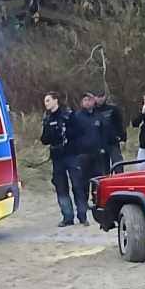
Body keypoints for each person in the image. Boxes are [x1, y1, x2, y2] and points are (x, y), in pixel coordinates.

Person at [40, 93, 88, 226]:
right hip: (57, 157)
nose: (46, 103)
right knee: (61, 187)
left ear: (56, 100)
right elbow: (44, 139)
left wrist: (66, 132)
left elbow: (79, 131)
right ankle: (67, 217)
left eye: (48, 100)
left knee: (77, 185)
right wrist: (51, 133)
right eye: (45, 101)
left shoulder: (68, 114)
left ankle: (83, 215)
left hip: (71, 154)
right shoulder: (47, 118)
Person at [71, 93, 110, 188]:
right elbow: (72, 135)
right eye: (85, 100)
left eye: (89, 100)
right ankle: (84, 201)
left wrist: (104, 148)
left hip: (97, 154)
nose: (87, 102)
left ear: (93, 102)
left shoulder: (98, 116)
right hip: (82, 154)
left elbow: (104, 133)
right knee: (83, 181)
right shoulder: (76, 117)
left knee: (98, 180)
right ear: (81, 102)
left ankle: (96, 200)